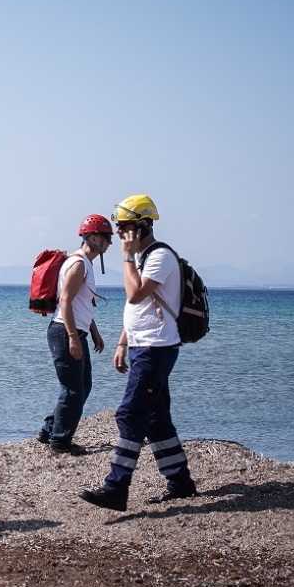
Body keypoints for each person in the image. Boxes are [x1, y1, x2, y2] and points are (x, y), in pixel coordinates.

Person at [79, 194, 198, 511]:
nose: (117, 232)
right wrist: (122, 342)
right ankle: (181, 483)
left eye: (124, 226)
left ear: (142, 225)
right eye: (118, 226)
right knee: (157, 418)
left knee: (130, 414)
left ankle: (116, 488)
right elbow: (140, 310)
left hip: (156, 348)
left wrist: (128, 258)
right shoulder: (143, 257)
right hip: (144, 346)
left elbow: (134, 294)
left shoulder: (159, 257)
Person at [36, 214, 113, 455]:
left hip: (77, 330)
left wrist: (94, 332)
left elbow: (84, 303)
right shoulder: (78, 263)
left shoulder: (85, 264)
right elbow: (66, 302)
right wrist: (72, 337)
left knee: (83, 386)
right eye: (107, 237)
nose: (109, 243)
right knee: (72, 390)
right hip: (64, 331)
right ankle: (60, 443)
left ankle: (49, 430)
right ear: (93, 237)